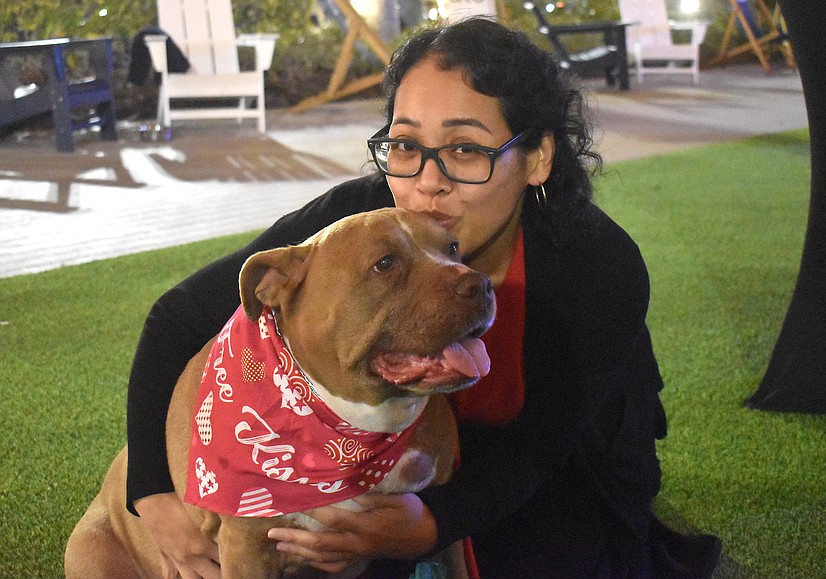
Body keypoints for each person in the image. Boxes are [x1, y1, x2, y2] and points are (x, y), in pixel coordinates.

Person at [126, 17, 721, 578]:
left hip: (554, 468)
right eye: (406, 147)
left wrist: (432, 525)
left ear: (537, 157)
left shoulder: (596, 266)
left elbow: (538, 450)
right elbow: (177, 318)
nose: (427, 181)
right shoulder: (358, 222)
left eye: (465, 150)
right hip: (382, 458)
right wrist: (151, 495)